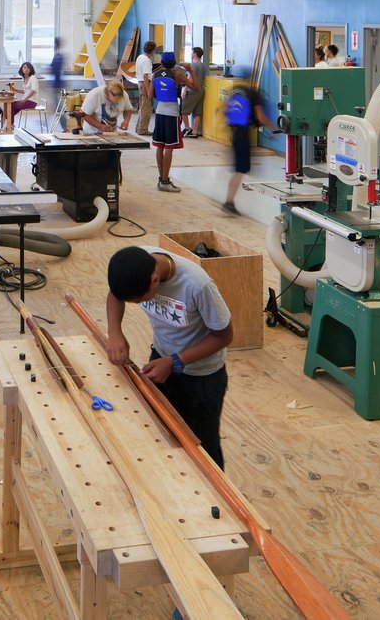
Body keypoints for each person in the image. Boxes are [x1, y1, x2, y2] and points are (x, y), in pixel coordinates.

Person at [105, 245, 233, 468]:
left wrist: (176, 361)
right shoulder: (137, 262)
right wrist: (115, 332)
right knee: (162, 430)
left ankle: (217, 503)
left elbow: (224, 336)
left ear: (155, 280)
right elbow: (116, 296)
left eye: (139, 300)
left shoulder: (196, 285)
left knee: (202, 448)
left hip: (201, 377)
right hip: (161, 359)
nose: (137, 304)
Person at [222, 80, 270, 216]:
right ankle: (229, 202)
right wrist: (274, 128)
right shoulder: (255, 96)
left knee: (238, 170)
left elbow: (225, 110)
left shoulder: (237, 90)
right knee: (239, 171)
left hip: (235, 133)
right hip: (243, 135)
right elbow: (261, 117)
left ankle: (229, 201)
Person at [149, 52, 194, 192]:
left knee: (160, 146)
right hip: (172, 114)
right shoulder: (178, 75)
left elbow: (150, 96)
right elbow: (196, 88)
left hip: (160, 112)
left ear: (161, 62)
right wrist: (190, 70)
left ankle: (161, 179)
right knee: (169, 146)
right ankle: (165, 181)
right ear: (174, 63)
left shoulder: (155, 75)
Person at [180, 45, 209, 138]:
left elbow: (190, 79)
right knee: (198, 111)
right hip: (201, 90)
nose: (190, 54)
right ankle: (195, 131)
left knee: (183, 110)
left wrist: (184, 90)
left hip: (192, 90)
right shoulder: (204, 66)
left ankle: (187, 128)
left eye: (191, 52)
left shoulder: (193, 65)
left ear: (195, 54)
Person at [133, 40, 158, 134]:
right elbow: (146, 77)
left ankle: (138, 127)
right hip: (145, 84)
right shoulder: (147, 61)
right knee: (147, 108)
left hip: (140, 83)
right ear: (153, 50)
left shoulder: (140, 57)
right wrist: (149, 91)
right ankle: (142, 129)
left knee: (142, 107)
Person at [48, 37, 67, 114]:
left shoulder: (57, 56)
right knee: (58, 102)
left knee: (58, 105)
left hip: (57, 82)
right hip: (59, 81)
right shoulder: (60, 56)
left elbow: (53, 70)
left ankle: (62, 121)